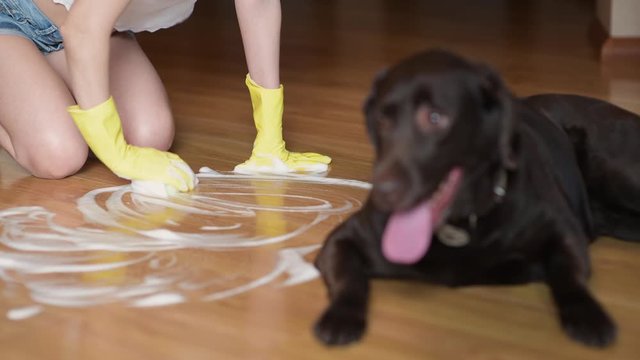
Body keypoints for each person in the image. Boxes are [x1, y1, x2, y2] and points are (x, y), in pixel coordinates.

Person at [0, 0, 331, 194]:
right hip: (15, 14)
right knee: (59, 154)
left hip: (84, 23)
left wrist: (270, 140)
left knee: (151, 135)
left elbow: (258, 7)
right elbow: (82, 30)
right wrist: (116, 153)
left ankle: (31, 81)